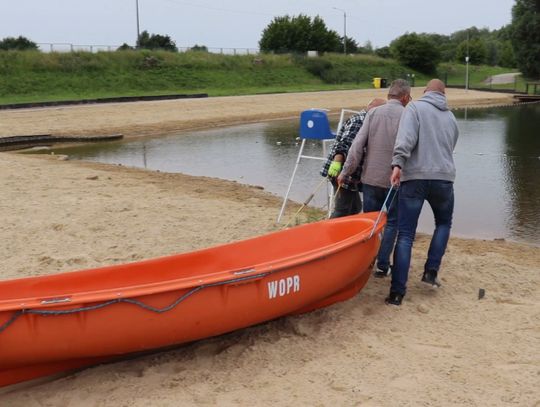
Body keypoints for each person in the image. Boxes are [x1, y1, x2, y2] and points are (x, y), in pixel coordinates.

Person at [387, 78, 459, 306]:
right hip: (443, 178)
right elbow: (452, 144)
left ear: (425, 91)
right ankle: (430, 271)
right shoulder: (451, 117)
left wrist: (397, 164)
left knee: (405, 234)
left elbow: (405, 139)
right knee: (444, 224)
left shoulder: (415, 108)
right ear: (443, 94)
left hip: (415, 177)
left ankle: (397, 293)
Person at [338, 79, 411, 277]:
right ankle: (382, 264)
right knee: (393, 222)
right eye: (410, 97)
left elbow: (356, 147)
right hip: (396, 179)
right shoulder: (408, 115)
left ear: (389, 95)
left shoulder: (373, 113)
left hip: (370, 178)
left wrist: (345, 171)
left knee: (370, 222)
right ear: (405, 97)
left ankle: (367, 260)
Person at [321, 98, 386, 218]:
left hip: (350, 173)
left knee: (355, 207)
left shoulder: (368, 120)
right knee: (342, 209)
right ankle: (332, 234)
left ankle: (345, 231)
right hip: (342, 172)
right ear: (373, 108)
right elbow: (345, 144)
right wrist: (337, 163)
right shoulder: (360, 121)